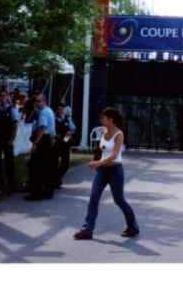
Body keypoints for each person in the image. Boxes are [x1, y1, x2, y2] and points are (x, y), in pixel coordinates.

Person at [73, 107, 139, 240]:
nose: (101, 120)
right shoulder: (103, 131)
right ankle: (87, 230)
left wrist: (98, 163)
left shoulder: (119, 134)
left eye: (103, 118)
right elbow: (101, 149)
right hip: (102, 171)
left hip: (115, 171)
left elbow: (114, 155)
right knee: (93, 199)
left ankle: (133, 227)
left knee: (119, 200)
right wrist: (96, 161)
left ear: (111, 119)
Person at [0, 89, 20, 197]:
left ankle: (12, 185)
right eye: (0, 96)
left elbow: (15, 125)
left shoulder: (12, 109)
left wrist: (12, 140)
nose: (2, 98)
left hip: (7, 140)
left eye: (4, 96)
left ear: (7, 97)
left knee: (9, 163)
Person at [26, 92, 56, 201]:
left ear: (44, 101)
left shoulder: (43, 112)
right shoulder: (49, 111)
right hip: (48, 140)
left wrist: (35, 143)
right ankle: (48, 191)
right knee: (46, 167)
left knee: (35, 168)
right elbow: (52, 130)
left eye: (38, 101)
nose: (36, 103)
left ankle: (36, 193)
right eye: (35, 101)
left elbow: (42, 128)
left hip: (42, 141)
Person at [54, 103, 76, 187]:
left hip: (65, 145)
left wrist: (65, 139)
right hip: (55, 144)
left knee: (65, 165)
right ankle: (55, 181)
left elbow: (72, 130)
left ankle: (57, 178)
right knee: (54, 164)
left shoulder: (67, 119)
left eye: (61, 109)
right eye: (58, 109)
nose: (60, 111)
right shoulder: (53, 119)